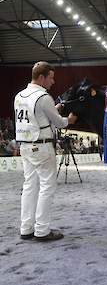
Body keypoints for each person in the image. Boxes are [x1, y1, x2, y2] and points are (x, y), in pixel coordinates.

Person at [14, 61, 77, 242]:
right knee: (47, 187)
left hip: (25, 145)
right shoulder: (43, 97)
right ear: (41, 77)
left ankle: (26, 228)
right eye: (50, 78)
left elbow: (36, 117)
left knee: (29, 186)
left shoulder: (20, 95)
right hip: (41, 147)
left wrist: (54, 110)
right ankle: (42, 230)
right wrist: (69, 120)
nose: (53, 81)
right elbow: (59, 123)